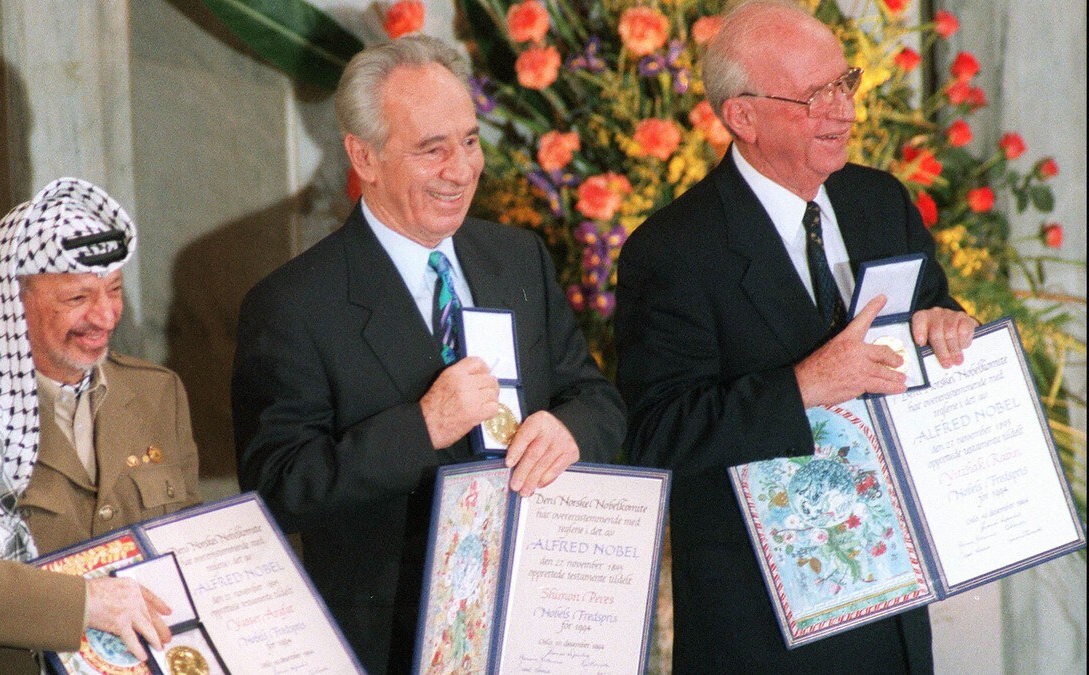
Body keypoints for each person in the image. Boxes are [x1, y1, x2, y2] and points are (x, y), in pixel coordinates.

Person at [232, 35, 626, 674]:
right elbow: (276, 490)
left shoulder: (517, 258)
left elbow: (596, 398)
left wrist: (569, 430)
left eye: (469, 141)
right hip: (391, 642)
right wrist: (422, 428)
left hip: (535, 620)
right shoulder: (293, 304)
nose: (461, 170)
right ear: (364, 156)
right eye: (431, 149)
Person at [615, 2, 977, 672]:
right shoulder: (672, 251)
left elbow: (932, 309)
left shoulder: (880, 203)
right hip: (761, 629)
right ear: (742, 117)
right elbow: (655, 433)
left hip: (893, 606)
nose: (843, 111)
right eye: (815, 96)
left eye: (845, 84)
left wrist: (948, 326)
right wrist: (803, 386)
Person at [0, 178, 201, 673]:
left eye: (115, 290)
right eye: (78, 297)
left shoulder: (158, 393)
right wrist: (82, 604)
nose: (106, 316)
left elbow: (188, 542)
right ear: (11, 302)